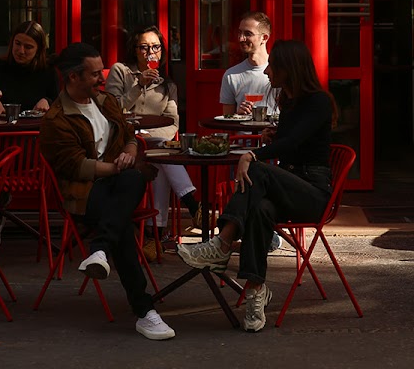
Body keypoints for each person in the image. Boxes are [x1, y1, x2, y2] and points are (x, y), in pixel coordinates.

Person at [178, 40, 334, 332]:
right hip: (288, 187)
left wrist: (253, 154)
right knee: (260, 208)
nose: (267, 72)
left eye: (273, 65)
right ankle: (255, 290)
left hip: (313, 194)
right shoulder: (289, 103)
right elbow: (291, 143)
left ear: (289, 69)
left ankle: (222, 243)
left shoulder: (318, 102)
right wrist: (274, 137)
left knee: (257, 169)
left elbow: (295, 142)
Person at [40, 42, 175, 341]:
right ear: (73, 77)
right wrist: (116, 167)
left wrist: (129, 152)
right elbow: (76, 166)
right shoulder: (56, 120)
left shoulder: (106, 101)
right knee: (122, 224)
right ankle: (144, 311)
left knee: (133, 180)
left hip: (118, 186)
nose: (101, 78)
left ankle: (100, 249)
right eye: (94, 74)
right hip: (84, 194)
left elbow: (129, 136)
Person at [104, 25, 202, 253]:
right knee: (162, 155)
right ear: (135, 50)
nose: (151, 53)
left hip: (152, 142)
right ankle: (190, 205)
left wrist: (153, 138)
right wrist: (139, 85)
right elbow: (112, 109)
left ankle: (153, 234)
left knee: (160, 156)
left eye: (156, 47)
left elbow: (173, 122)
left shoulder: (168, 84)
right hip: (122, 142)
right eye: (144, 47)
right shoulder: (121, 72)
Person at [0, 20, 58, 119]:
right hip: (0, 126)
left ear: (38, 50)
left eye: (28, 47)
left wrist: (47, 101)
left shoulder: (48, 71)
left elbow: (60, 102)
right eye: (17, 44)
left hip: (34, 127)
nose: (21, 51)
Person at [221, 11, 275, 117]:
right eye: (239, 33)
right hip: (243, 129)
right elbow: (226, 118)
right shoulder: (231, 75)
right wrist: (238, 114)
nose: (241, 38)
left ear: (264, 38)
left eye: (248, 34)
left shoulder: (280, 71)